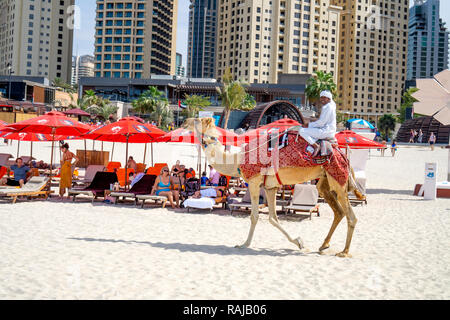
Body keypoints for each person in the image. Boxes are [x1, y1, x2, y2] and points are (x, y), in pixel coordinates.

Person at [298, 90, 336, 157]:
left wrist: (308, 125)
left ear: (328, 98)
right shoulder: (329, 106)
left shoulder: (328, 107)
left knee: (301, 131)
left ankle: (316, 146)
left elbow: (321, 123)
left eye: (324, 97)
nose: (322, 99)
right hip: (327, 130)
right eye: (321, 97)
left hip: (325, 131)